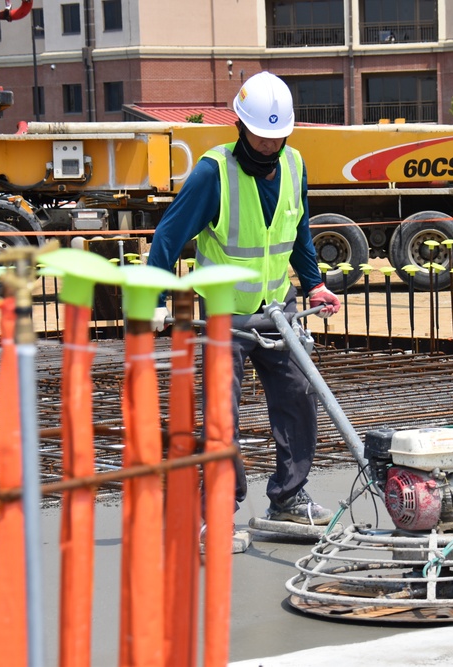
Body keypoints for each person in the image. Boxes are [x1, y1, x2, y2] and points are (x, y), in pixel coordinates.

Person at [147, 71, 341, 532]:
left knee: (298, 399)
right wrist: (156, 300)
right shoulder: (214, 173)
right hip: (225, 316)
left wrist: (313, 284)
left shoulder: (294, 166)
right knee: (220, 414)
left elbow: (298, 234)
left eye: (277, 137)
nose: (270, 146)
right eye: (261, 136)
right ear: (240, 126)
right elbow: (168, 237)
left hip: (279, 308)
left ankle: (288, 499)